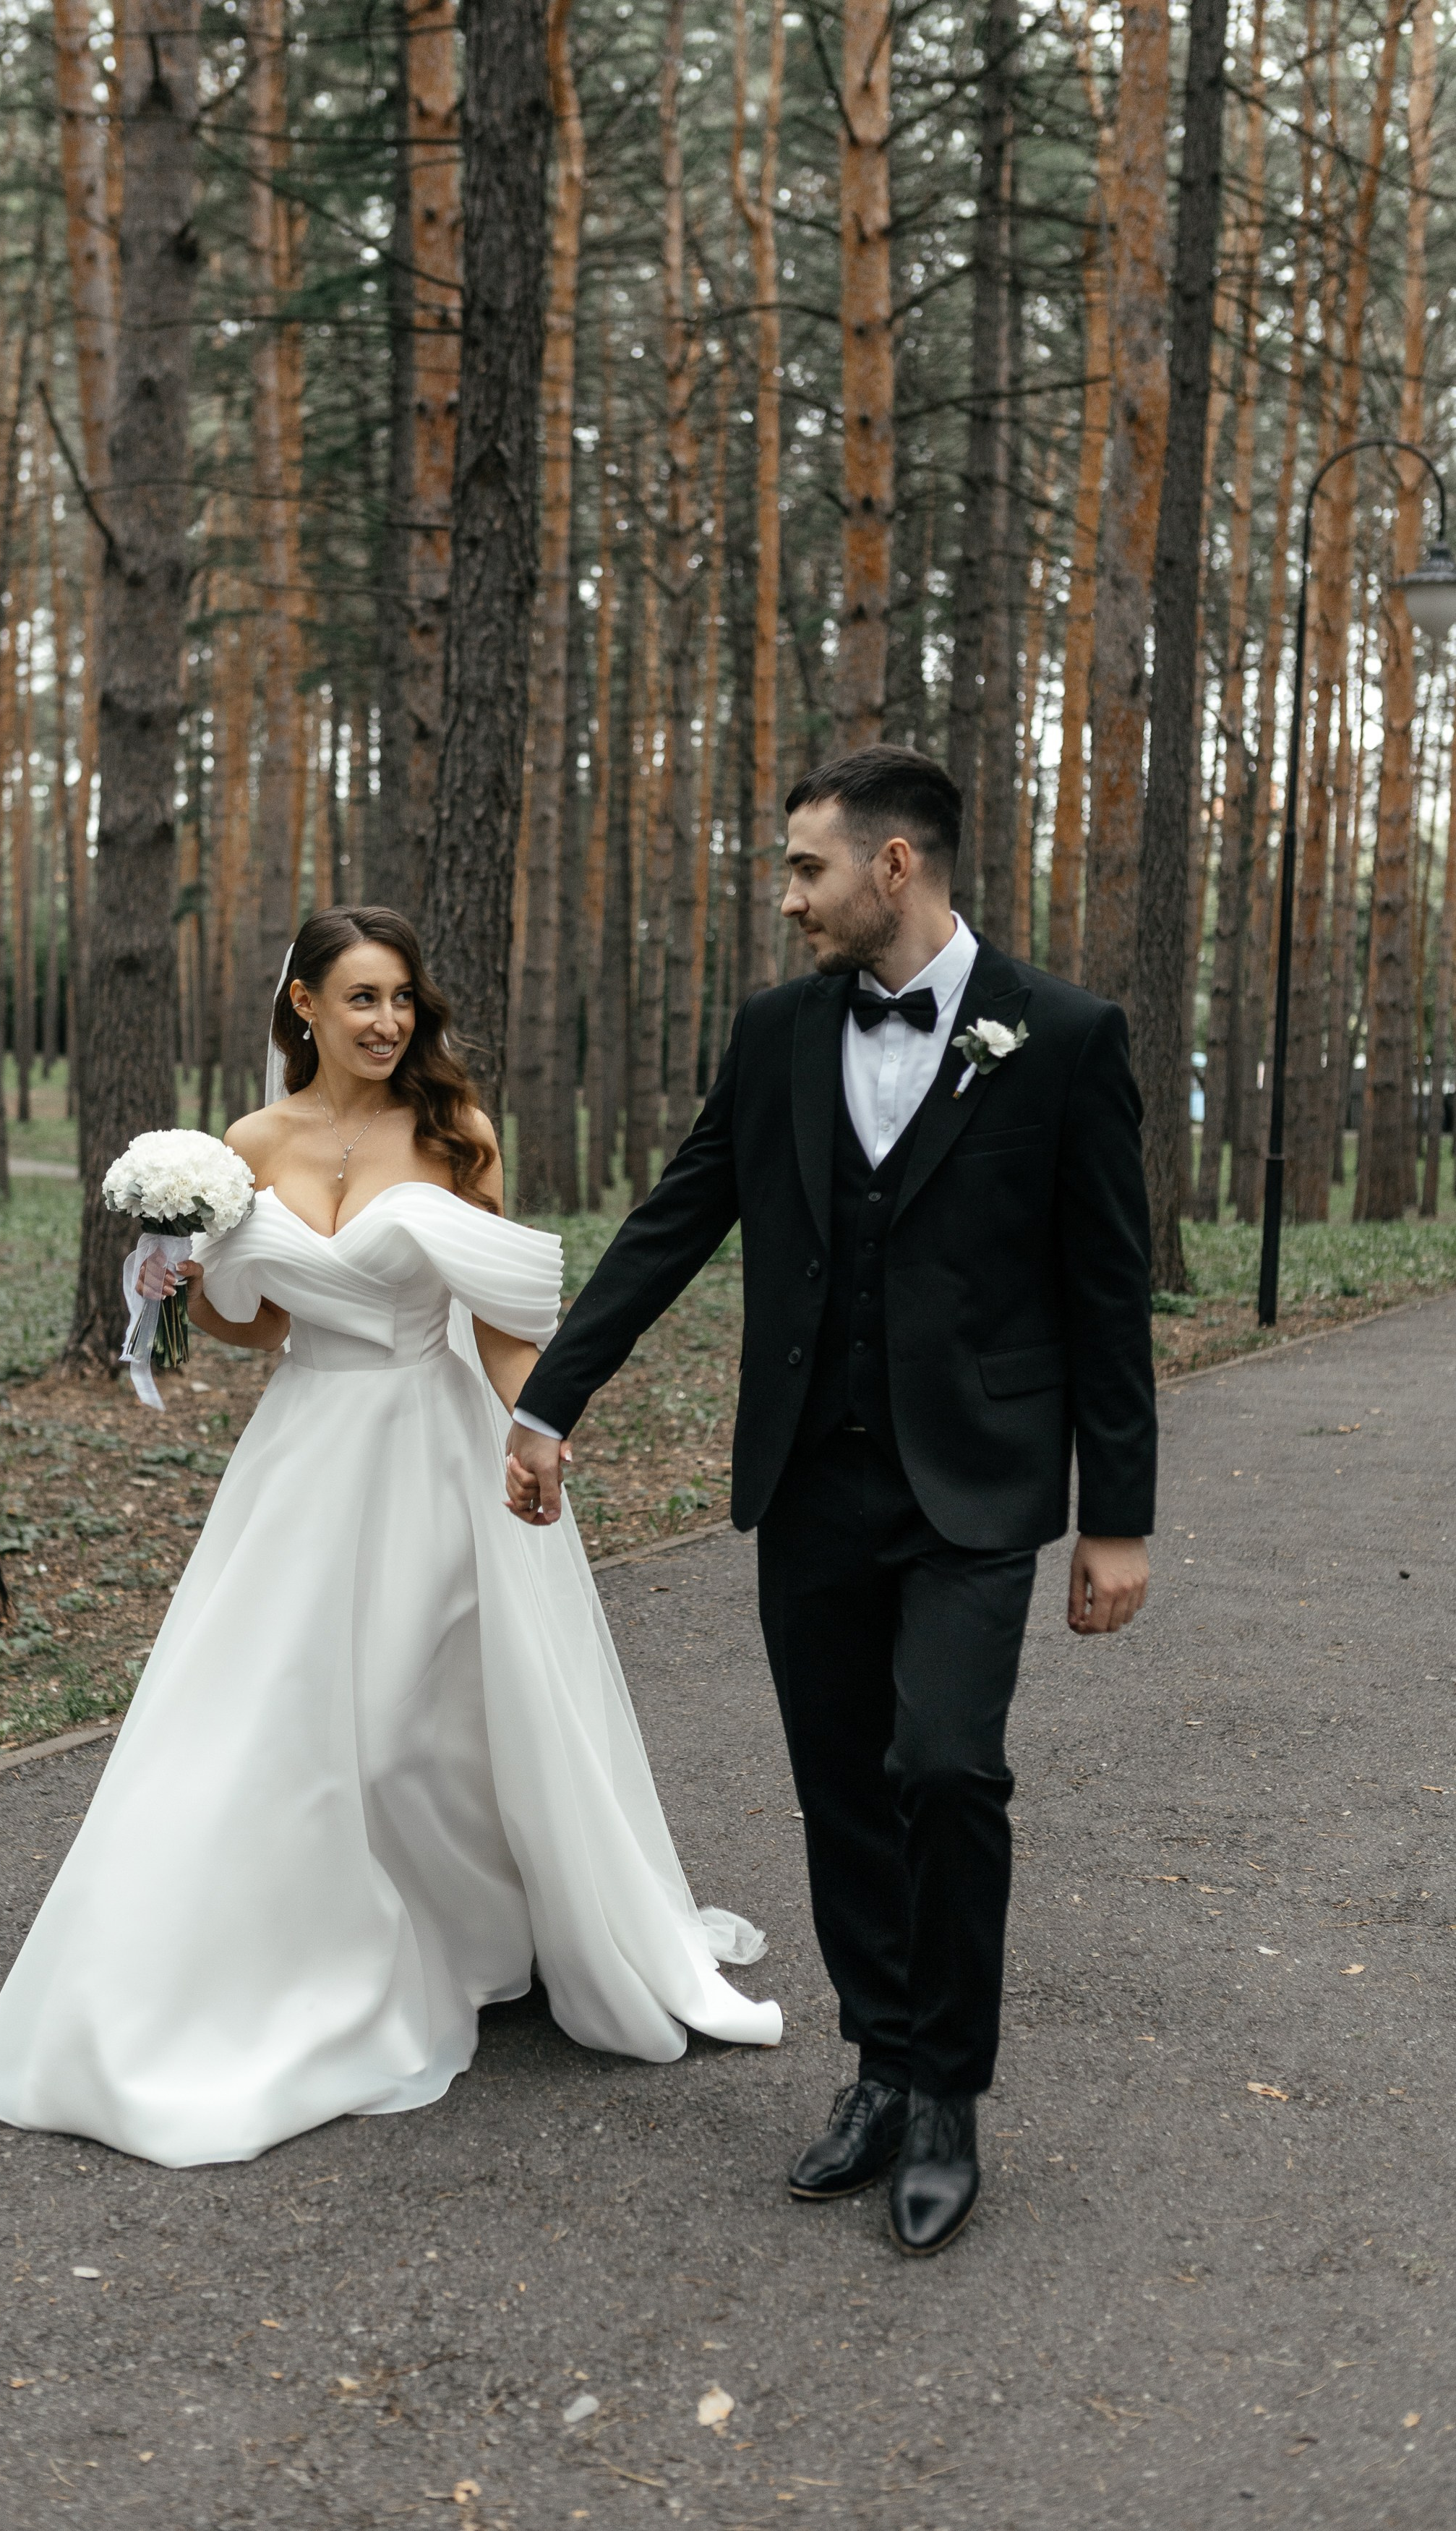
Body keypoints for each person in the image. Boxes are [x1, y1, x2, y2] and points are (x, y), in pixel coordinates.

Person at [0, 907, 779, 2169]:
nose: (388, 1022)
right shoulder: (243, 1147)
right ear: (303, 1009)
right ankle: (293, 1957)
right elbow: (263, 1330)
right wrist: (180, 1275)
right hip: (305, 1454)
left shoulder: (455, 1133)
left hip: (438, 1449)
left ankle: (463, 1931)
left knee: (417, 1723)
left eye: (400, 998)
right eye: (359, 999)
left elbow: (501, 1317)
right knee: (276, 1717)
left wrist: (536, 1429)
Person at [505, 745, 1156, 2257]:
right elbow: (677, 1215)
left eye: (806, 867)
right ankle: (876, 2062)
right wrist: (550, 1397)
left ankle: (947, 2096)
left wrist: (1115, 1511)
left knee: (943, 1765)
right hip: (810, 1474)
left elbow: (1107, 1293)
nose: (786, 894)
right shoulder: (780, 1031)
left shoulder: (1060, 1036)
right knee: (842, 1785)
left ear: (895, 867)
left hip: (978, 1484)